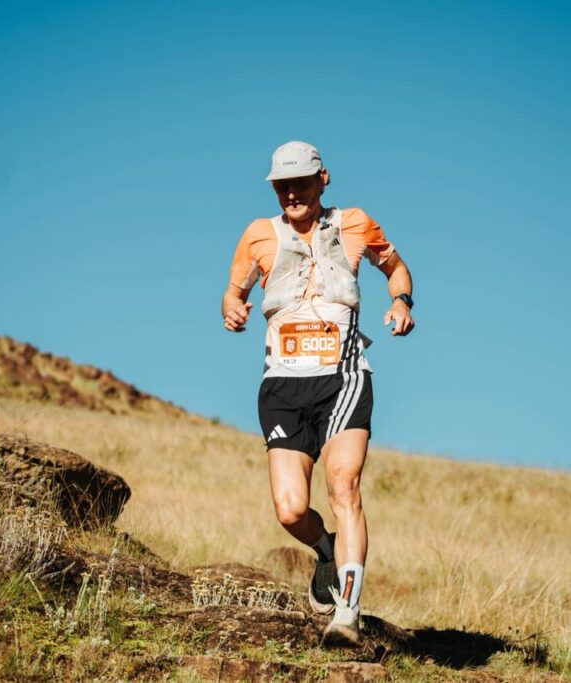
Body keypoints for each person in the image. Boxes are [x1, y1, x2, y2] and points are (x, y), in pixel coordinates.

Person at [222, 141, 414, 646]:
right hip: (283, 385)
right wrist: (232, 310)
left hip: (343, 377)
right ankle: (326, 550)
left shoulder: (355, 224)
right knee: (290, 509)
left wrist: (401, 302)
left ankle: (346, 615)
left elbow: (397, 268)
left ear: (322, 179)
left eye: (300, 183)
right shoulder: (258, 235)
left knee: (343, 485)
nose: (291, 194)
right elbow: (234, 292)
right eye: (282, 186)